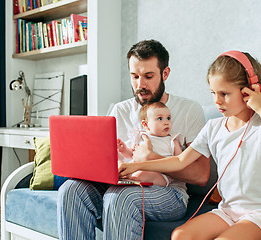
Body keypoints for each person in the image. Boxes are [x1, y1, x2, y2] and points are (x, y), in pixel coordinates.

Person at [119, 51, 261, 240]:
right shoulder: (214, 127)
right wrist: (136, 165)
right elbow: (179, 161)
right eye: (213, 93)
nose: (217, 101)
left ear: (251, 89)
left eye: (224, 94)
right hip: (228, 211)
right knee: (180, 235)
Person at [57, 39, 208, 240]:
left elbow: (201, 175)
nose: (140, 85)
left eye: (148, 76)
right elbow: (107, 160)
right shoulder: (121, 110)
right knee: (70, 190)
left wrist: (151, 158)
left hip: (168, 192)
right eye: (134, 76)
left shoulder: (189, 110)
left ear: (165, 74)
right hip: (121, 184)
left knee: (120, 199)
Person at [117, 101, 182, 186]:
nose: (166, 122)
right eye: (160, 118)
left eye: (168, 118)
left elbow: (181, 162)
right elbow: (132, 155)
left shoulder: (172, 140)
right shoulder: (140, 137)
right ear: (146, 124)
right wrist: (123, 149)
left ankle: (130, 178)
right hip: (137, 169)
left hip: (161, 175)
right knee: (120, 164)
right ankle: (125, 176)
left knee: (141, 174)